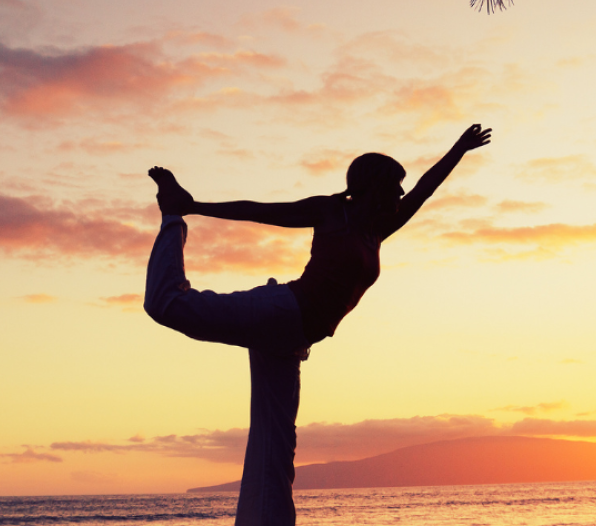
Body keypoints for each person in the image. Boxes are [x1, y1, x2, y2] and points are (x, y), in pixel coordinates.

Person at [144, 123, 492, 526]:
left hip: (292, 339)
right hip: (281, 310)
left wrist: (460, 149)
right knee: (168, 305)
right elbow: (263, 211)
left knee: (275, 449)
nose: (400, 194)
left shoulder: (377, 229)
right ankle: (171, 217)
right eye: (394, 185)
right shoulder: (332, 212)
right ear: (372, 185)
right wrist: (193, 207)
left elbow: (425, 189)